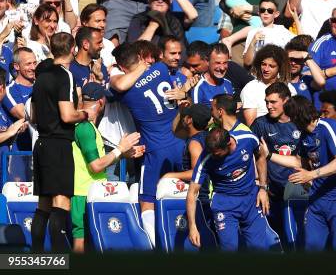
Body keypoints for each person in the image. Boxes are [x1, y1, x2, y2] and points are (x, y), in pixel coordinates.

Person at [112, 42, 188, 247]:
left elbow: (117, 85)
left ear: (121, 66)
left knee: (147, 199)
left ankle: (154, 246)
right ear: (139, 56)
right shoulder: (161, 68)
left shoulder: (124, 90)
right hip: (179, 142)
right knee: (187, 189)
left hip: (154, 148)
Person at [265, 95, 336, 252]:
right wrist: (269, 155)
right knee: (311, 248)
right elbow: (298, 162)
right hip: (317, 200)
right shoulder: (304, 136)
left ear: (298, 116)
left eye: (290, 117)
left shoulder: (328, 126)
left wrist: (311, 175)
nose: (289, 122)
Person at [31, 32, 92, 252]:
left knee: (43, 206)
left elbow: (34, 116)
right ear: (73, 49)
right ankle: (60, 261)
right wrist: (85, 114)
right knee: (61, 203)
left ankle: (37, 258)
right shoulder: (64, 76)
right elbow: (67, 116)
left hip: (41, 144)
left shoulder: (41, 78)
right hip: (58, 145)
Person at [187, 96, 272, 251]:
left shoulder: (247, 138)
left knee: (259, 248)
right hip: (224, 204)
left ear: (229, 144)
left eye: (218, 154)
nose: (215, 157)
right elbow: (192, 192)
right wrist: (192, 226)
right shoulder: (207, 156)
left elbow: (261, 156)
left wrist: (263, 188)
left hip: (251, 200)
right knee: (229, 249)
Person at [70, 82, 142, 252]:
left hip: (94, 193)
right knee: (81, 242)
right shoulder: (85, 127)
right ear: (101, 102)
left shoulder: (88, 126)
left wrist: (123, 155)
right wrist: (119, 149)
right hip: (83, 194)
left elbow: (99, 162)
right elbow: (95, 166)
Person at [249, 82, 300, 241]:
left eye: (273, 102)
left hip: (296, 190)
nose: (268, 106)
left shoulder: (300, 122)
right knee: (275, 236)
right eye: (266, 102)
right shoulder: (260, 124)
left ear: (286, 100)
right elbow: (252, 155)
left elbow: (303, 159)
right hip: (271, 191)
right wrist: (260, 184)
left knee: (295, 235)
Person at [241, 44, 295, 125]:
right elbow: (251, 125)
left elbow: (294, 116)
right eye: (263, 64)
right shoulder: (251, 88)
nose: (266, 69)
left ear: (279, 68)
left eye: (271, 66)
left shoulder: (289, 88)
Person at [126, 0, 197, 44]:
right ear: (150, 2)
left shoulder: (176, 17)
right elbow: (135, 49)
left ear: (170, 3)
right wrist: (153, 25)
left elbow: (193, 15)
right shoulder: (139, 19)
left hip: (178, 58)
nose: (160, 1)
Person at [193, 43, 234, 108]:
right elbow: (197, 116)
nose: (222, 68)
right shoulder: (199, 87)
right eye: (217, 63)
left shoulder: (228, 83)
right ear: (207, 62)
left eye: (225, 63)